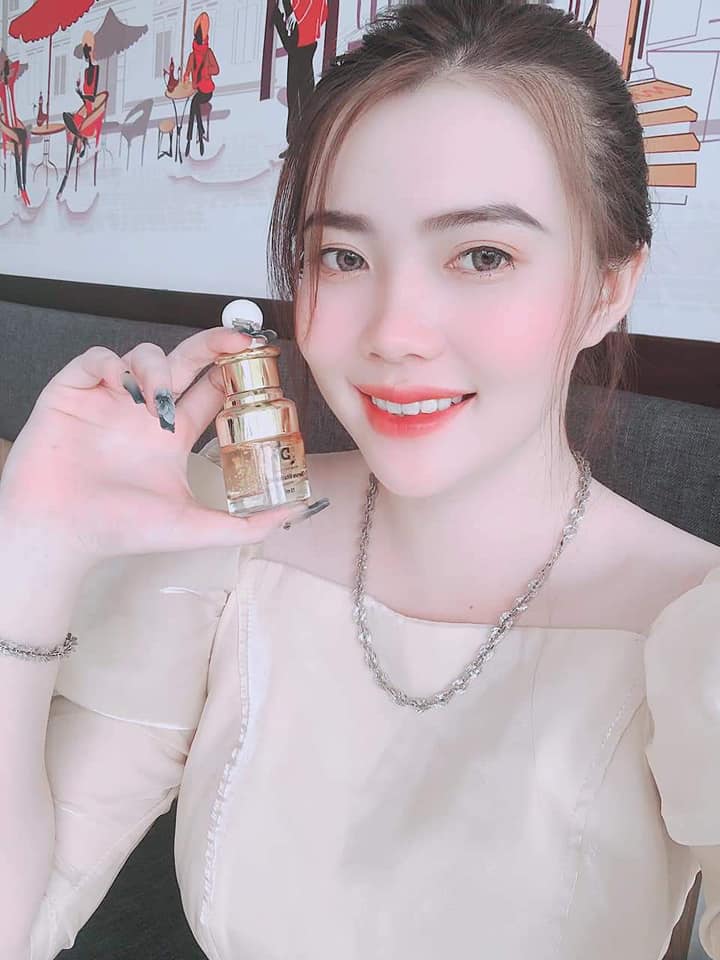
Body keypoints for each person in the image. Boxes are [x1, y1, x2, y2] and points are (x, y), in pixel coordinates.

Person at [1, 2, 720, 958]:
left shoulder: (697, 622)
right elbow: (23, 916)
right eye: (342, 256)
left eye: (483, 255)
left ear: (608, 287)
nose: (393, 332)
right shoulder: (226, 530)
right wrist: (35, 548)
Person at [273, 0, 328, 158]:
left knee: (300, 95)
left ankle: (302, 141)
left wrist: (298, 18)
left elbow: (321, 12)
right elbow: (323, 14)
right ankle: (297, 141)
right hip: (303, 40)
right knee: (299, 94)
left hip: (303, 41)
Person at [183, 11, 219, 158]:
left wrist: (206, 71)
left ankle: (189, 139)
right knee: (194, 106)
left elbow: (216, 69)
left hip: (207, 91)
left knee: (194, 104)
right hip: (198, 90)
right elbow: (187, 70)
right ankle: (200, 132)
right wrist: (186, 76)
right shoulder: (192, 55)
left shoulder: (208, 53)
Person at [0, 55, 30, 206]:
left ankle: (22, 186)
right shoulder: (0, 87)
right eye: (4, 72)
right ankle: (21, 187)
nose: (7, 74)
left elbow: (17, 65)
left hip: (15, 126)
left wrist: (8, 69)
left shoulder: (10, 83)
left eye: (7, 71)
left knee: (22, 143)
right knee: (22, 138)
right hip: (7, 127)